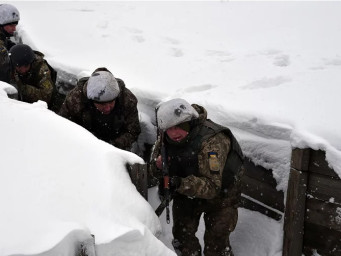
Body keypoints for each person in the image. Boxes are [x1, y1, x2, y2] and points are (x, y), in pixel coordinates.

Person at [150, 98, 244, 256]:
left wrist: (180, 183)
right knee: (182, 237)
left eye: (179, 127)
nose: (174, 133)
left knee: (217, 245)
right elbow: (154, 170)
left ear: (190, 122)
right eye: (169, 129)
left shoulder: (212, 141)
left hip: (222, 197)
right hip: (187, 193)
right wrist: (159, 167)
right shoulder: (165, 140)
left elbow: (213, 187)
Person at [59, 67, 141, 151]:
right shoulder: (75, 99)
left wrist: (113, 145)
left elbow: (133, 131)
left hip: (115, 148)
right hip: (83, 144)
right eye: (102, 104)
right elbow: (63, 126)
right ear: (92, 100)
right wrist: (85, 143)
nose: (108, 108)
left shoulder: (127, 100)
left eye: (111, 102)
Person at [7, 44, 63, 113]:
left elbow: (46, 96)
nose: (23, 70)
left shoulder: (42, 70)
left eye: (26, 66)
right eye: (19, 67)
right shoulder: (12, 65)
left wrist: (24, 89)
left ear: (31, 62)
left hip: (44, 107)